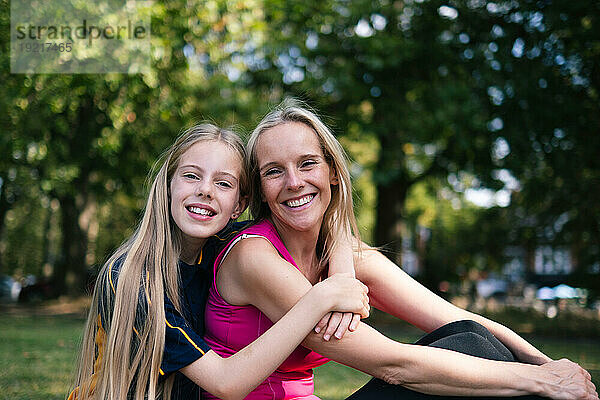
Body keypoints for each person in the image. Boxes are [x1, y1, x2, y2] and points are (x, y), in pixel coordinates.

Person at [203, 100, 598, 400]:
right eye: (274, 171)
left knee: (469, 335)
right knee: (475, 352)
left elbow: (458, 318)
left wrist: (556, 368)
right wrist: (540, 381)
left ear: (333, 174)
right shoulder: (253, 256)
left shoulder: (346, 255)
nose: (294, 182)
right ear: (259, 188)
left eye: (307, 164)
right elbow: (394, 365)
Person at [68, 124, 370, 400]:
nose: (205, 190)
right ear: (167, 186)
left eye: (224, 184)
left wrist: (342, 276)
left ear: (238, 205)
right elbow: (225, 383)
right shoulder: (130, 278)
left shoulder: (226, 244)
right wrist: (323, 296)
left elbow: (326, 225)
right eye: (191, 175)